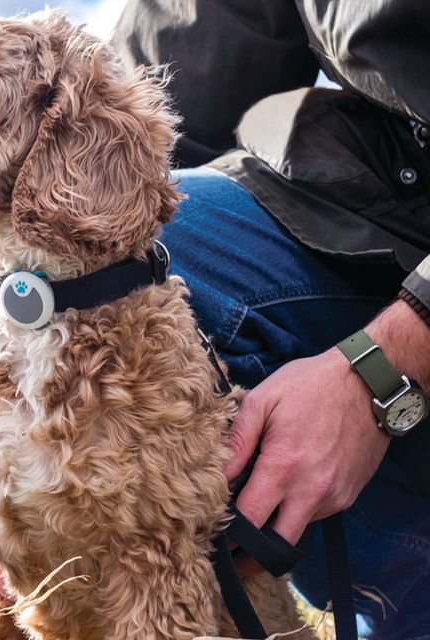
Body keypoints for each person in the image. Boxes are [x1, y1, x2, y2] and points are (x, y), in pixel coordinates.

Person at [112, 1, 430, 637]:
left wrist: (386, 369)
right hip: (389, 211)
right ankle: (396, 597)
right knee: (128, 265)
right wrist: (21, 420)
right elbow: (148, 123)